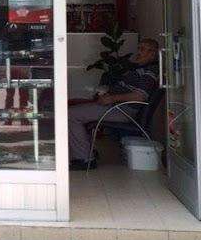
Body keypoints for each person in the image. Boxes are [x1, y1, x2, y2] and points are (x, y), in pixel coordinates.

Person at [68, 38, 159, 171]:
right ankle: (85, 151)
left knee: (71, 115)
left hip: (122, 109)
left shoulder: (149, 71)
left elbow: (139, 96)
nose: (139, 52)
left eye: (143, 49)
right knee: (74, 108)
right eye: (139, 48)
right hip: (115, 106)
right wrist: (107, 94)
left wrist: (111, 98)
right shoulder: (138, 68)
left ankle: (85, 159)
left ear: (152, 54)